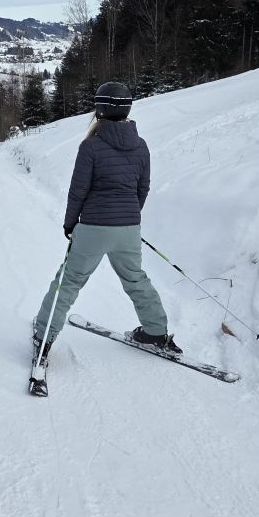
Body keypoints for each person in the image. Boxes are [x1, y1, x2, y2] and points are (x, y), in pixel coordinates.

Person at [32, 81, 179, 374]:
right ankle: (156, 332)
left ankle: (44, 335)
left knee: (69, 281)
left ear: (100, 108)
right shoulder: (141, 145)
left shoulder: (91, 146)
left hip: (93, 226)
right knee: (135, 278)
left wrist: (70, 224)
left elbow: (78, 191)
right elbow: (142, 188)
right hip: (128, 228)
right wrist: (127, 217)